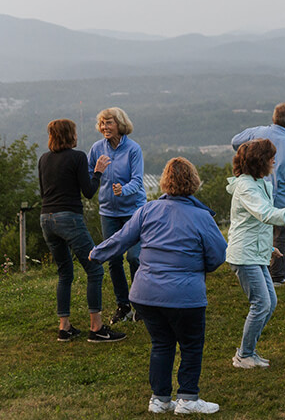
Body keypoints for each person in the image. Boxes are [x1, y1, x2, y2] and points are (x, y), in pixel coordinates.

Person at [91, 157, 227, 415]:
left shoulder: (147, 210)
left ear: (165, 181)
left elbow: (120, 239)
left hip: (145, 294)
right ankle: (187, 398)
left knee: (162, 344)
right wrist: (199, 268)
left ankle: (160, 400)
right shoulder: (201, 217)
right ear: (194, 181)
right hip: (184, 295)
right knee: (191, 344)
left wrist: (95, 253)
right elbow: (218, 256)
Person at [227, 139, 285, 369]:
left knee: (270, 302)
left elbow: (257, 225)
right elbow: (266, 215)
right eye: (270, 157)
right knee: (261, 304)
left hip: (255, 253)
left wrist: (268, 248)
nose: (274, 161)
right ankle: (244, 355)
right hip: (243, 255)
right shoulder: (246, 187)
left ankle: (249, 352)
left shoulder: (259, 183)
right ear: (260, 161)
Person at [38, 119, 125, 343]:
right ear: (70, 135)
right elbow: (88, 192)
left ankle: (64, 327)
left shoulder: (44, 159)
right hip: (69, 218)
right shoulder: (77, 157)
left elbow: (43, 192)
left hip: (46, 219)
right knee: (95, 269)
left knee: (65, 272)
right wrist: (98, 172)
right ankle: (96, 328)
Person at [231, 103, 285, 286]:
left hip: (255, 189)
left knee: (257, 230)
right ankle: (276, 276)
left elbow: (235, 141)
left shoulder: (256, 132)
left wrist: (247, 155)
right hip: (279, 196)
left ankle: (259, 271)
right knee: (280, 236)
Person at [87, 107, 147, 325]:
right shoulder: (96, 149)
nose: (104, 127)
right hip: (108, 212)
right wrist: (97, 173)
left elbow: (138, 180)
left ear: (120, 124)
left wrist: (124, 189)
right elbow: (89, 175)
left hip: (133, 210)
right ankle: (123, 306)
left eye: (109, 123)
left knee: (134, 257)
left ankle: (141, 304)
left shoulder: (133, 149)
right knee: (113, 259)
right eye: (102, 123)